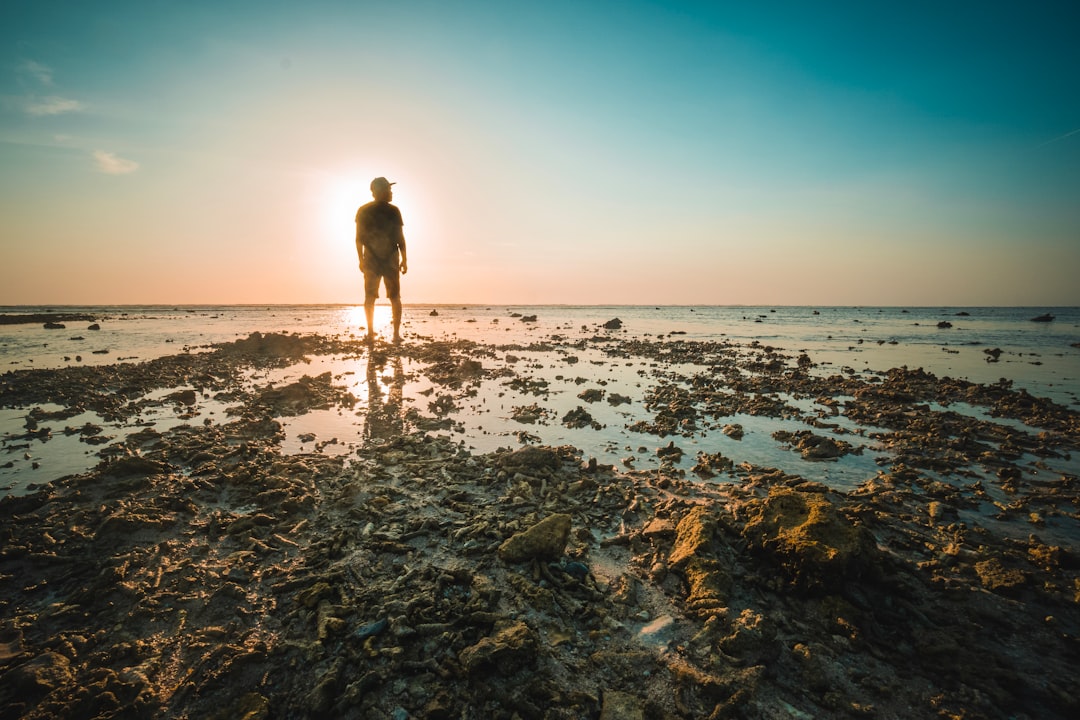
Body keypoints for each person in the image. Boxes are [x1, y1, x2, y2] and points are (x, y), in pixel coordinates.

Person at [355, 176, 408, 342]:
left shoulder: (366, 210)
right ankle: (391, 334)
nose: (391, 192)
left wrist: (361, 259)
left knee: (376, 297)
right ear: (380, 191)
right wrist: (404, 259)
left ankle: (376, 334)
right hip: (384, 258)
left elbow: (358, 239)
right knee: (392, 297)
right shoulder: (392, 211)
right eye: (389, 189)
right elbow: (400, 238)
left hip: (377, 258)